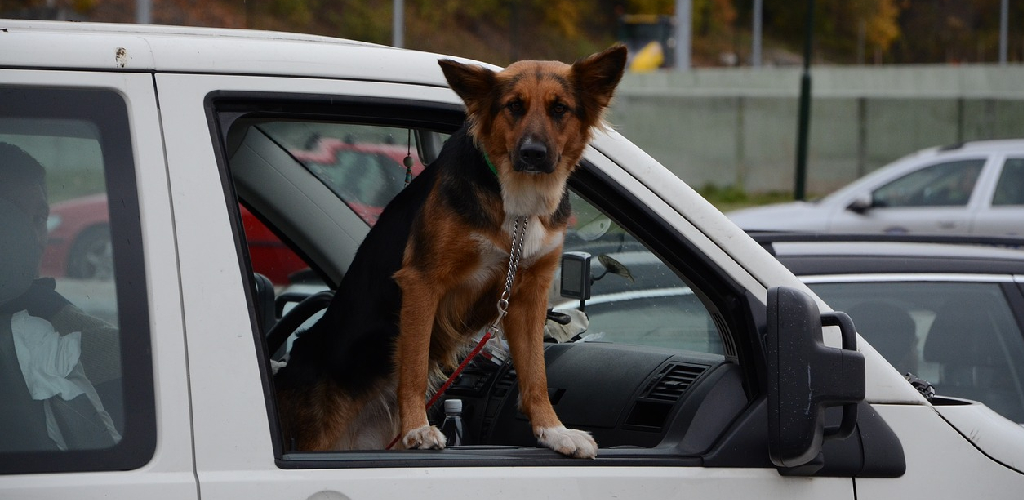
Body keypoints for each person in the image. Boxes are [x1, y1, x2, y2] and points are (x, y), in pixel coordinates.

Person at [0, 142, 121, 452]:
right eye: (11, 220)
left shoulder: (49, 318)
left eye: (40, 219)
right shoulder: (50, 324)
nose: (34, 239)